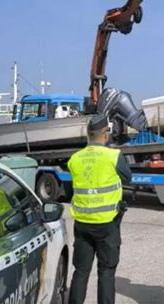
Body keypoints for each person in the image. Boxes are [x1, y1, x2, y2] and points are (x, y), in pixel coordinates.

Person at [67, 114, 131, 304]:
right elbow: (127, 177)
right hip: (107, 224)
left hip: (82, 224)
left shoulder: (75, 159)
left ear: (88, 134)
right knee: (106, 272)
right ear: (105, 133)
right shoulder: (113, 156)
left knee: (80, 272)